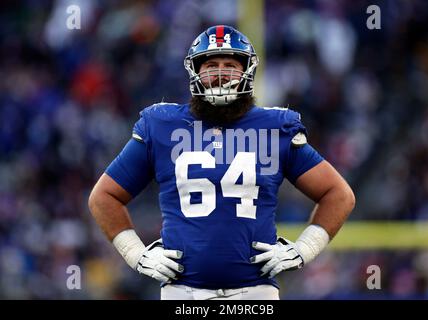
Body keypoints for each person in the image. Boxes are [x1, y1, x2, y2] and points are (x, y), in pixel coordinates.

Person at [88, 25, 355, 300]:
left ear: (247, 71)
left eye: (230, 64)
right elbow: (104, 197)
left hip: (255, 293)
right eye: (211, 64)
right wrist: (137, 254)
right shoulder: (162, 124)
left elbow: (338, 194)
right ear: (195, 71)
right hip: (183, 292)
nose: (220, 73)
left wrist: (303, 249)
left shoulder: (275, 128)